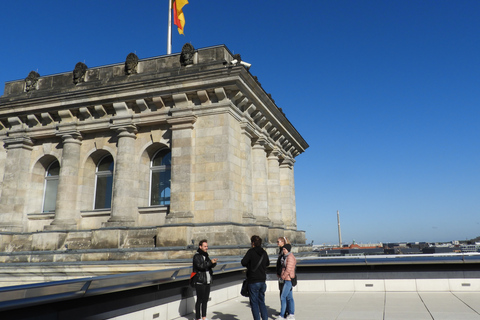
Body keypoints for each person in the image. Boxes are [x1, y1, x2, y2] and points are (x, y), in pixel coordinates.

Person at [241, 235, 270, 320]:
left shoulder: (251, 252)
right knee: (262, 302)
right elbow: (267, 263)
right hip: (262, 281)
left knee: (254, 304)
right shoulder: (264, 252)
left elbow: (243, 262)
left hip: (253, 281)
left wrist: (250, 265)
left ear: (253, 243)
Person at [192, 239, 218, 320]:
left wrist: (213, 263)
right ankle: (197, 317)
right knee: (199, 300)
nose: (206, 248)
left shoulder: (206, 255)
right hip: (200, 281)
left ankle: (204, 316)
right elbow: (200, 266)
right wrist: (210, 262)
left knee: (205, 300)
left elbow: (208, 265)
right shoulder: (197, 256)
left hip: (207, 280)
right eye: (205, 246)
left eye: (207, 246)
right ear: (200, 247)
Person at [277, 244, 296, 320]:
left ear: (288, 250)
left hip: (288, 279)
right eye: (283, 249)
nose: (283, 251)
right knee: (289, 297)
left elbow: (288, 269)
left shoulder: (290, 257)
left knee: (283, 297)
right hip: (287, 279)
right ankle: (291, 314)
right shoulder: (286, 257)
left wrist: (283, 276)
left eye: (284, 249)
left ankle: (282, 315)